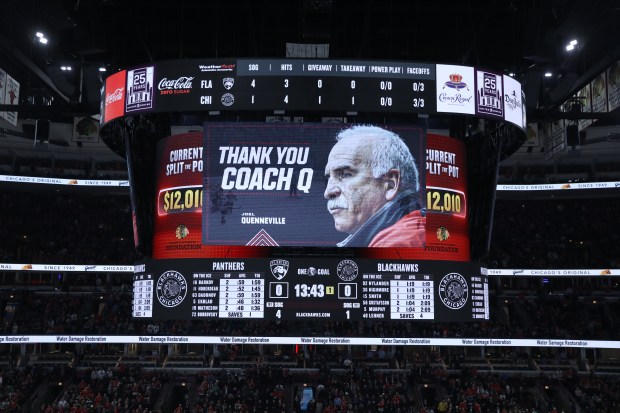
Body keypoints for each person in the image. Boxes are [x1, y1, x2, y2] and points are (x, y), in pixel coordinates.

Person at [323, 125, 425, 247]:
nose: (328, 192)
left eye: (345, 174)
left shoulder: (397, 242)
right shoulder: (405, 233)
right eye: (329, 177)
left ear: (391, 184)